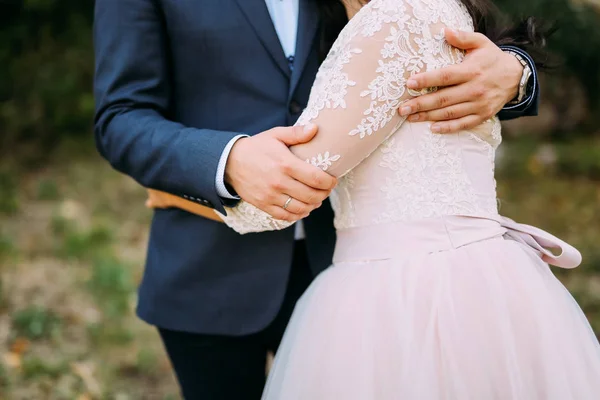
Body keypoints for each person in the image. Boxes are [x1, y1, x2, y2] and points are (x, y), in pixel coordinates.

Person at [93, 0, 539, 398]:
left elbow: (421, 45)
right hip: (209, 275)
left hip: (367, 281)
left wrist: (517, 73)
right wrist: (227, 162)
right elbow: (120, 117)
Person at [217, 0, 600, 398]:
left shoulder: (396, 16)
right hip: (470, 275)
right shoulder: (408, 13)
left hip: (416, 291)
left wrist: (206, 186)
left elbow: (291, 182)